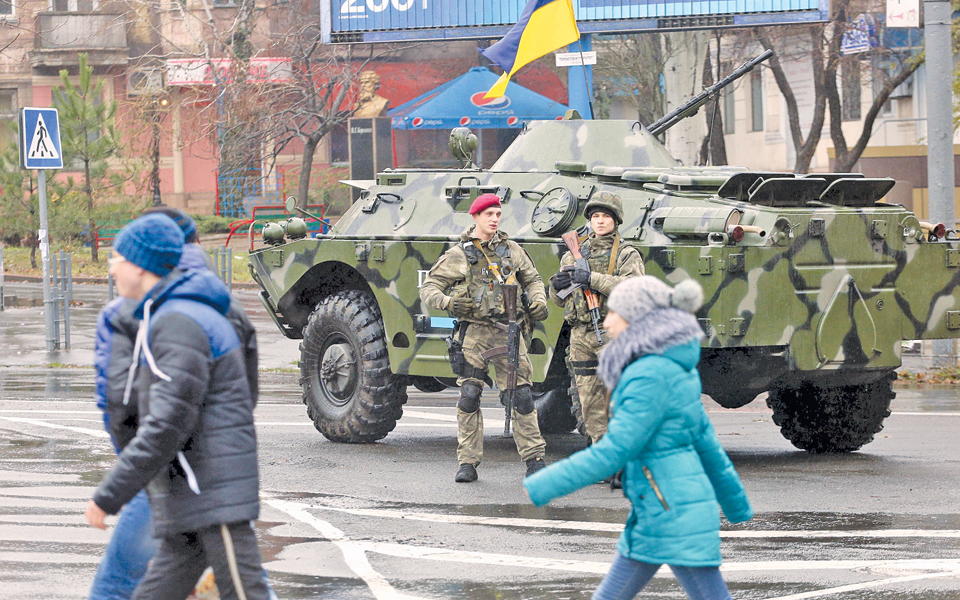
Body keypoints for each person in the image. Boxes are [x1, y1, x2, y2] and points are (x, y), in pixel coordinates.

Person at [524, 277, 753, 600]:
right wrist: (736, 504)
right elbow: (707, 446)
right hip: (665, 507)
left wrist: (546, 483)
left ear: (637, 320)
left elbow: (616, 449)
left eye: (614, 312)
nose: (606, 320)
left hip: (668, 510)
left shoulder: (648, 375)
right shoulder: (674, 369)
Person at [89, 208, 272, 600]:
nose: (111, 270)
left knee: (247, 592)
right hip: (195, 489)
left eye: (116, 260)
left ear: (141, 266)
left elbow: (164, 423)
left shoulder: (178, 321)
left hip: (210, 491)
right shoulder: (179, 312)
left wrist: (108, 496)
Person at [420, 193, 551, 483]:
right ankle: (467, 462)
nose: (494, 219)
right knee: (469, 396)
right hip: (475, 333)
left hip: (509, 331)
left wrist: (539, 300)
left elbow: (533, 279)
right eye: (488, 214)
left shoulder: (512, 250)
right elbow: (429, 287)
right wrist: (449, 304)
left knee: (522, 397)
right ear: (475, 217)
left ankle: (534, 459)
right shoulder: (460, 254)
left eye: (497, 214)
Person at [548, 191, 644, 444]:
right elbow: (560, 300)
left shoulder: (626, 254)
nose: (600, 221)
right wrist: (556, 286)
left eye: (605, 216)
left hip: (612, 331)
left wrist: (592, 279)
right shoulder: (574, 253)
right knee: (588, 400)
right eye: (595, 216)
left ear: (615, 220)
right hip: (580, 334)